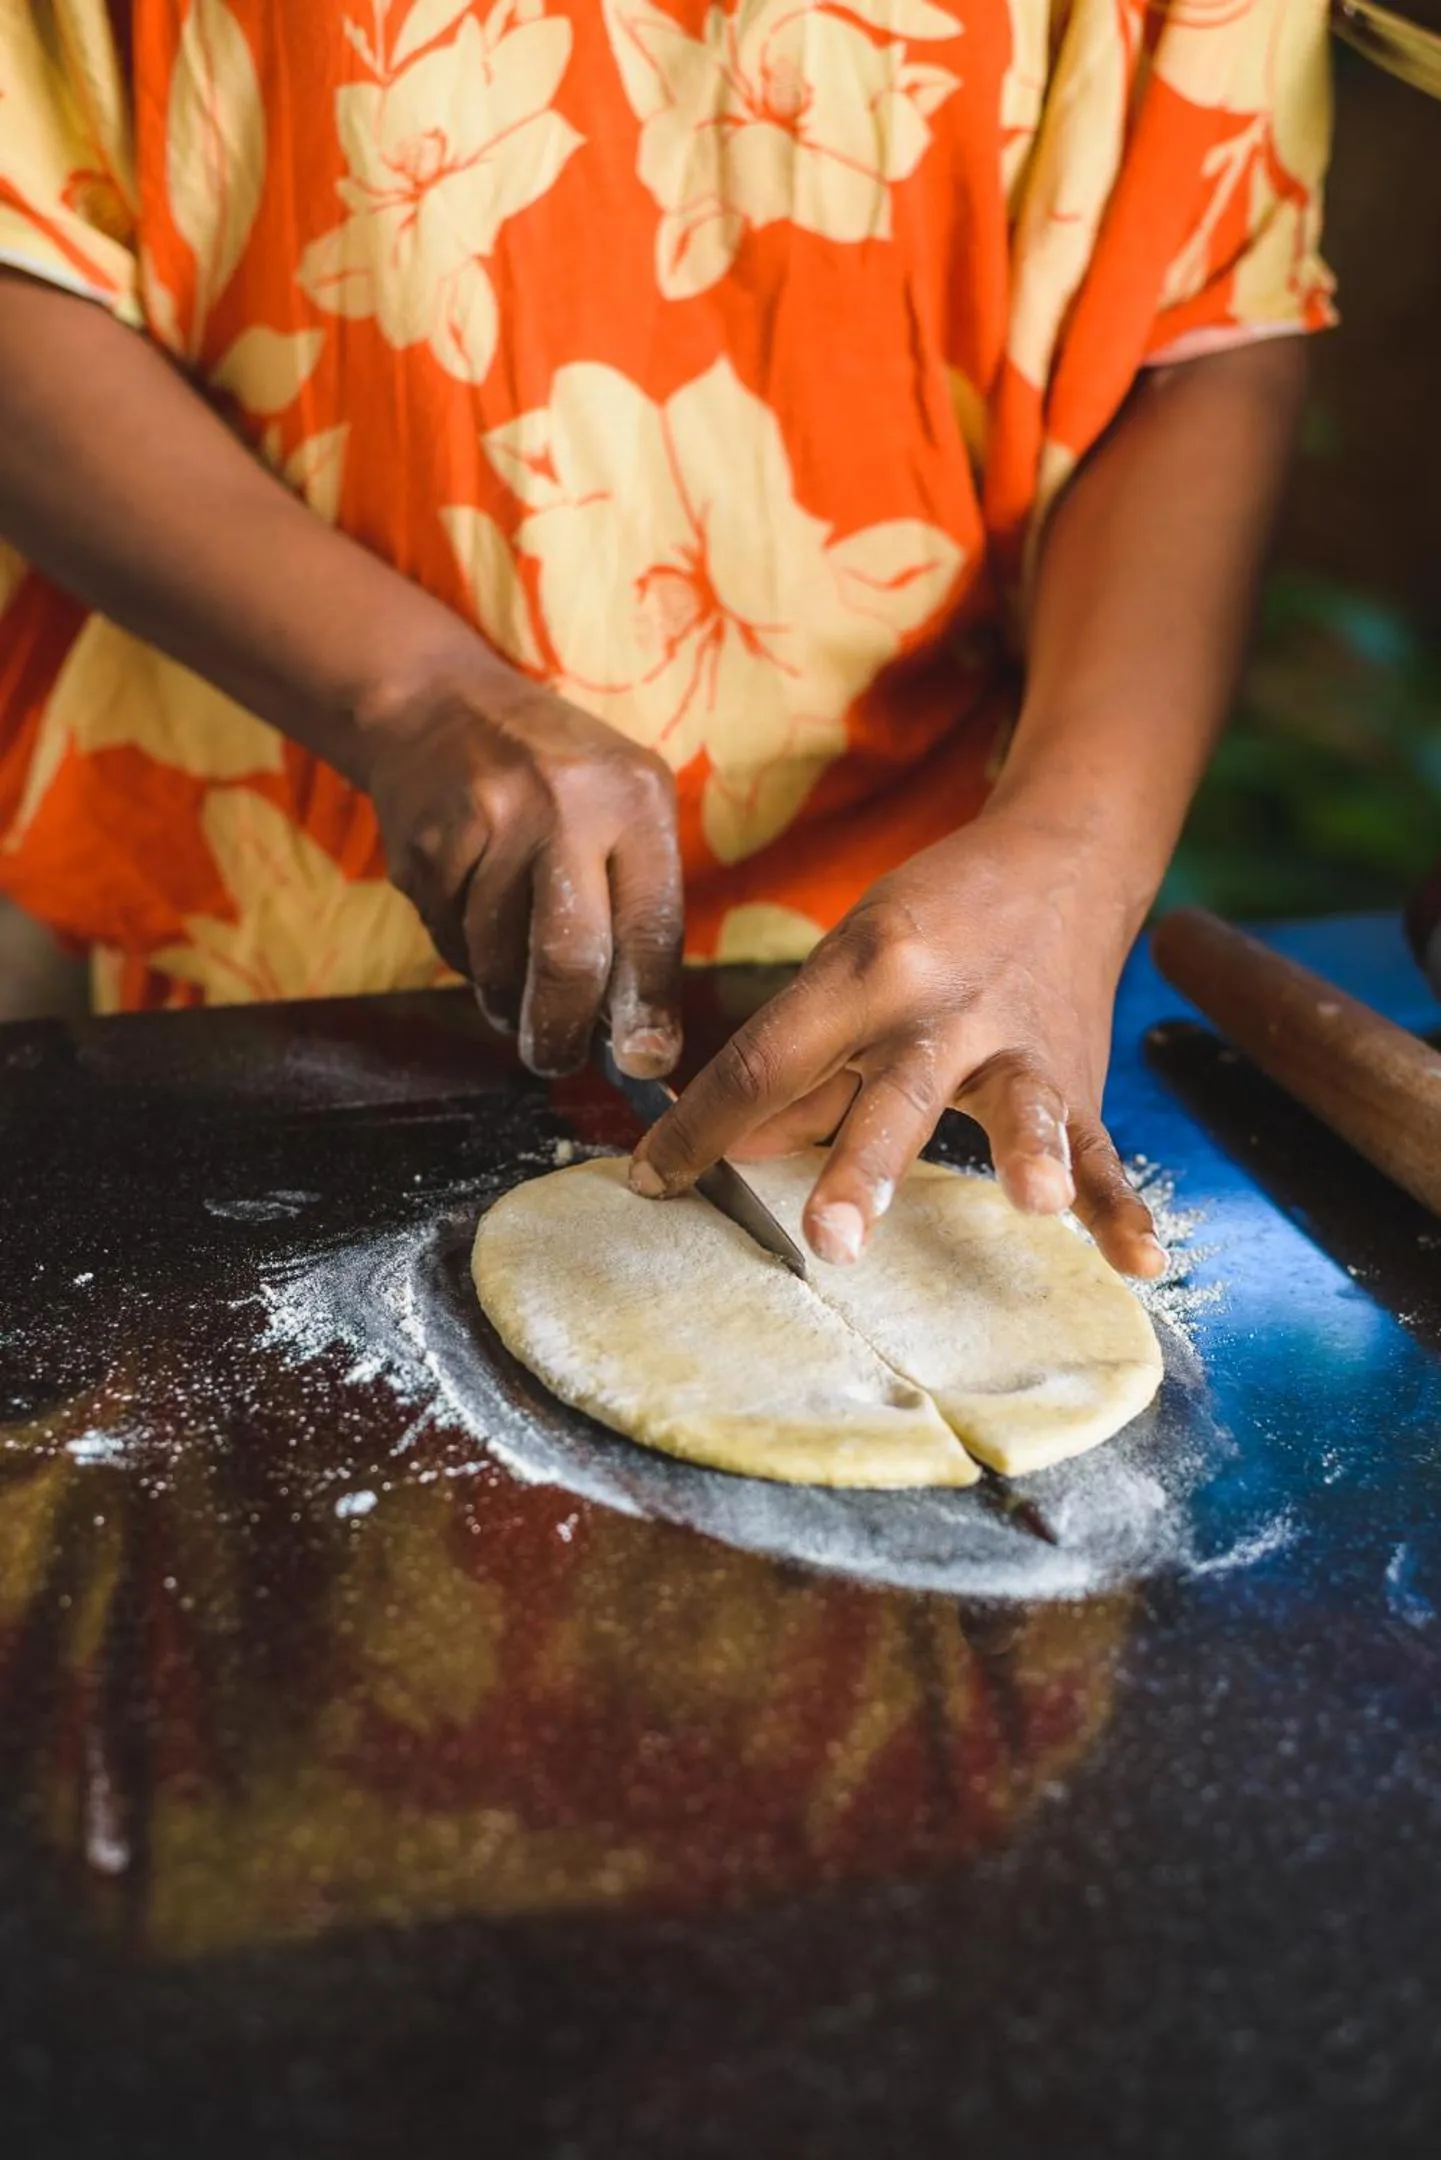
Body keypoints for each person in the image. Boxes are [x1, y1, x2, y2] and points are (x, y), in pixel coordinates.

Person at [0, 0, 1333, 1276]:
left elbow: (1205, 308)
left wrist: (1070, 860)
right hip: (284, 932)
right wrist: (407, 691)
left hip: (938, 977)